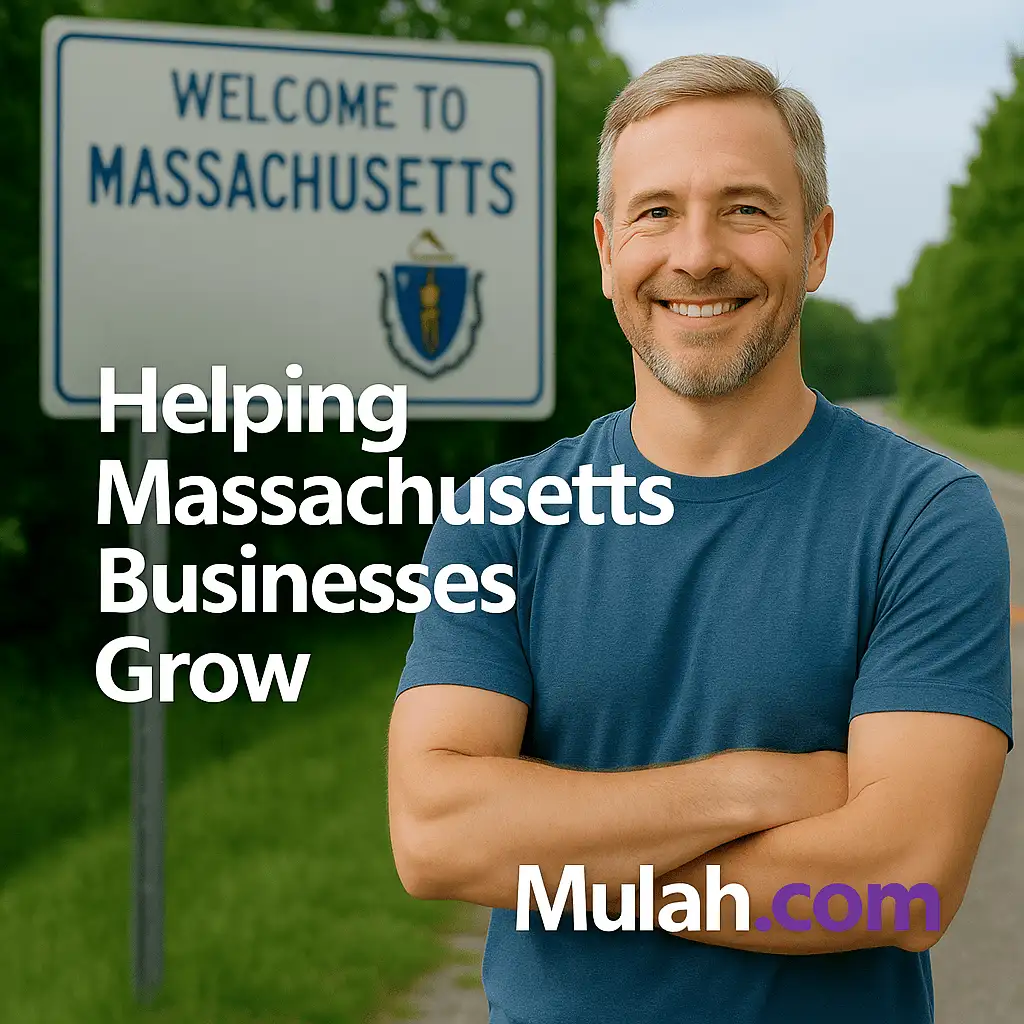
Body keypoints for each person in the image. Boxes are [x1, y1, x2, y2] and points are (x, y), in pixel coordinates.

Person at [386, 53, 1012, 1024]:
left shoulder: (922, 516)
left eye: (746, 209)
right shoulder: (501, 519)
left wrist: (563, 861)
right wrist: (755, 785)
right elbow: (436, 838)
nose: (695, 255)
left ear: (816, 244)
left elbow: (903, 883)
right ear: (604, 252)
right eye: (654, 213)